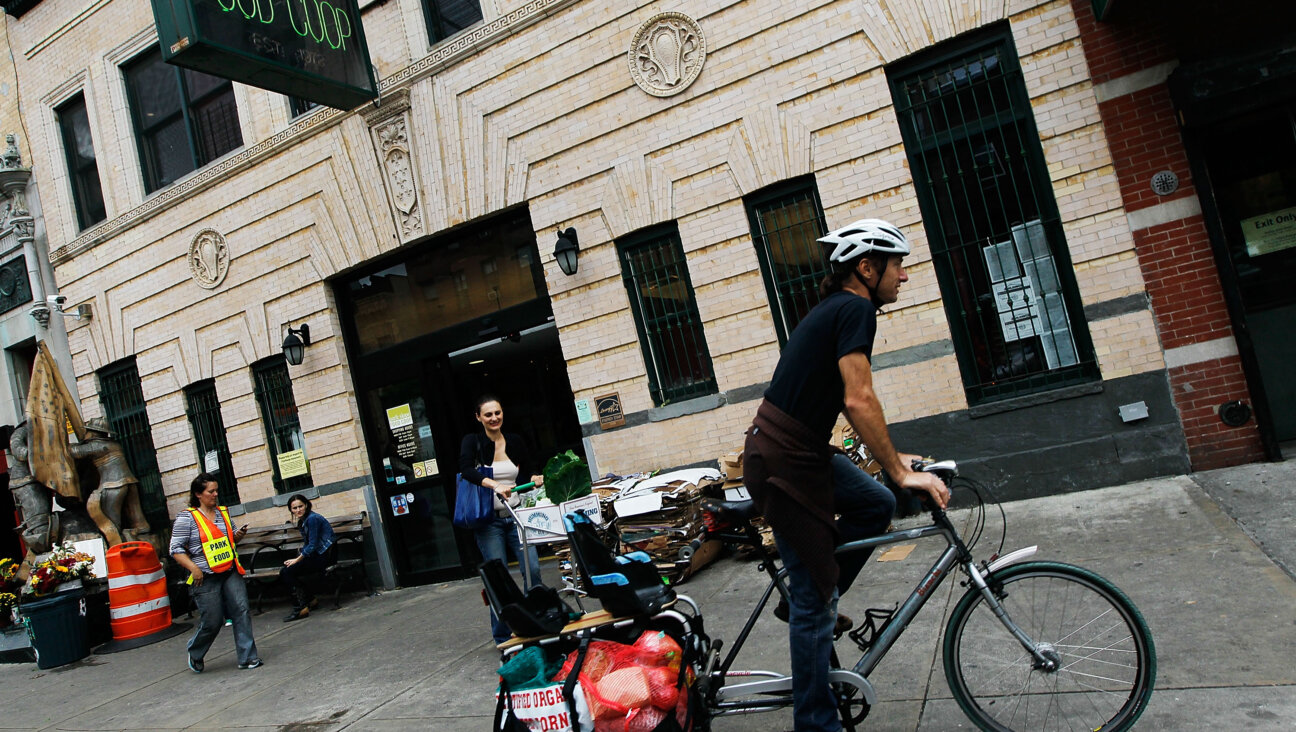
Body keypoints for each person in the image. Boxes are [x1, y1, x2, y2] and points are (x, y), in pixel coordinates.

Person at [743, 218, 950, 731]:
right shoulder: (855, 308)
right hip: (784, 463)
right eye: (897, 264)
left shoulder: (839, 308)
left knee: (875, 503)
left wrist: (896, 467)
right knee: (817, 599)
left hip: (799, 451)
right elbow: (859, 398)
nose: (903, 276)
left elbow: (844, 401)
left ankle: (809, 604)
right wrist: (900, 470)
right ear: (866, 267)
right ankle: (817, 722)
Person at [459, 394, 544, 644]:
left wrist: (535, 477)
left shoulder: (515, 440)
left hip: (516, 516)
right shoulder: (472, 442)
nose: (494, 418)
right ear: (478, 417)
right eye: (488, 414)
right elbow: (466, 470)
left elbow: (529, 469)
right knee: (499, 578)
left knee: (534, 569)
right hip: (490, 522)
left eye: (497, 413)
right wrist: (494, 484)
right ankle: (503, 635)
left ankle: (534, 622)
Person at [169, 473, 263, 672]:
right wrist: (193, 569)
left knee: (242, 611)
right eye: (210, 491)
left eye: (216, 490)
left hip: (229, 571)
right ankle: (195, 651)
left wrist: (238, 536)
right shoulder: (187, 518)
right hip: (204, 577)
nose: (215, 494)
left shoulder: (223, 513)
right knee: (212, 620)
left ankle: (248, 658)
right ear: (198, 494)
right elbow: (175, 549)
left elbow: (230, 540)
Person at [279, 494, 336, 622]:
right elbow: (308, 545)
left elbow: (312, 545)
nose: (298, 510)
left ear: (306, 505)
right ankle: (310, 599)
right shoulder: (304, 520)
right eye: (294, 508)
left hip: (324, 557)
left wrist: (297, 560)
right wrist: (298, 558)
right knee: (287, 571)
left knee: (286, 572)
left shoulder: (312, 519)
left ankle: (301, 608)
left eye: (300, 506)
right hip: (316, 556)